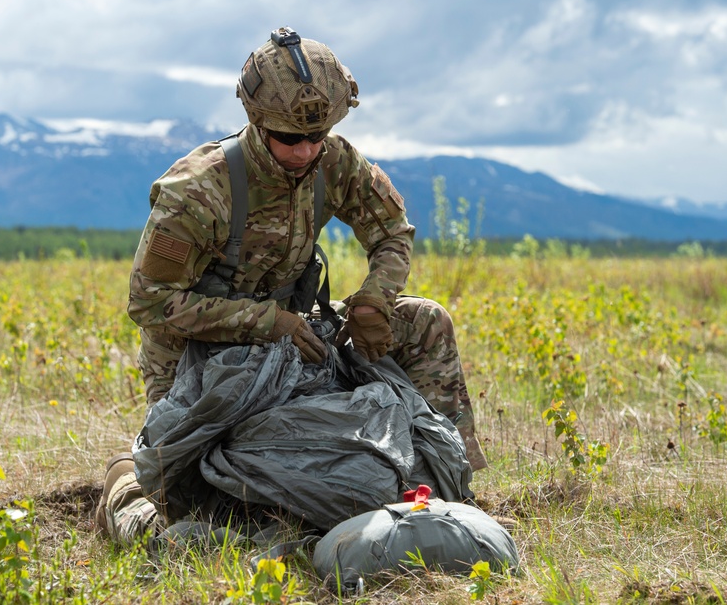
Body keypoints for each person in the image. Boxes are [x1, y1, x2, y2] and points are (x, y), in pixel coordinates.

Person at [96, 27, 487, 545]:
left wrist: (374, 299)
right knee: (196, 518)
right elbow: (151, 303)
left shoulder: (334, 161)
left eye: (316, 137)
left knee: (424, 320)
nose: (305, 152)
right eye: (289, 139)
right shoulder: (198, 190)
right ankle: (125, 488)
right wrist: (265, 322)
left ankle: (454, 489)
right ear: (257, 123)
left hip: (298, 339)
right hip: (200, 359)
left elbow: (391, 230)